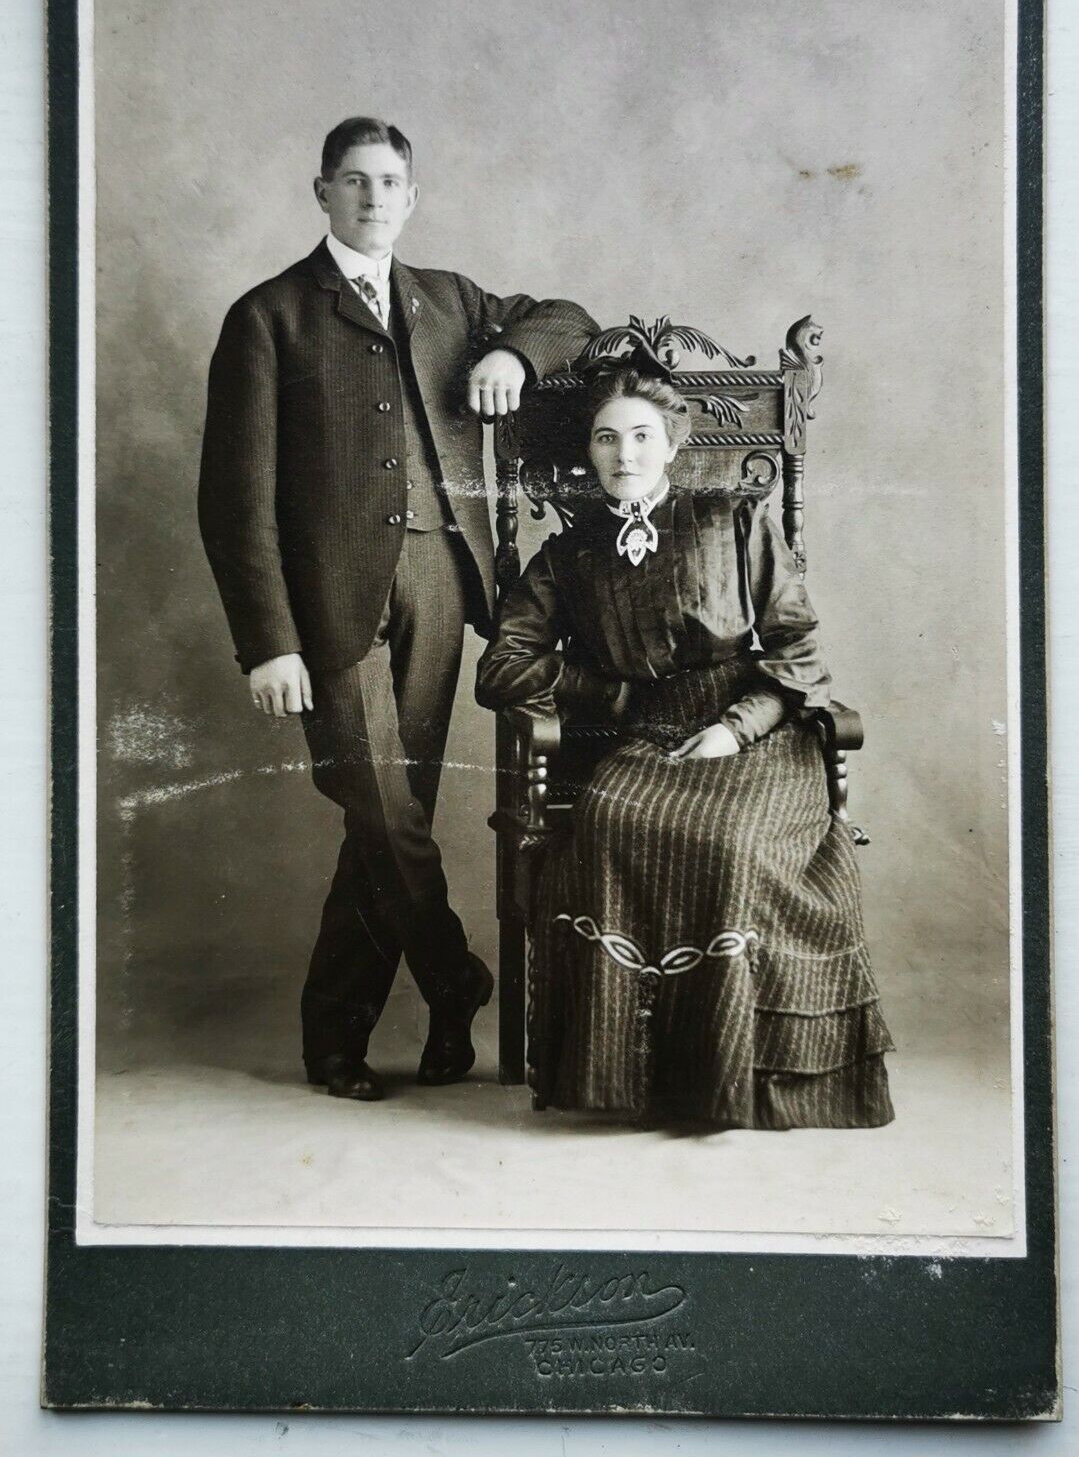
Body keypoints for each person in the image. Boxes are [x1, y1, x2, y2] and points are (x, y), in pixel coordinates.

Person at [198, 116, 596, 1102]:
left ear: (412, 196)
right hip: (327, 605)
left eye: (388, 183)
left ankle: (333, 1042)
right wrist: (267, 645)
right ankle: (452, 976)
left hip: (437, 582)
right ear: (320, 192)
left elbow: (569, 317)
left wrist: (510, 355)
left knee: (387, 819)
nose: (372, 200)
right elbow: (233, 499)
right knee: (381, 809)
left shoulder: (453, 301)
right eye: (352, 182)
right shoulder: (269, 316)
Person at [475, 366, 895, 1129]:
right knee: (607, 818)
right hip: (649, 730)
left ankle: (728, 1076)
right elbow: (502, 665)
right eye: (607, 438)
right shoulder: (569, 557)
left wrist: (734, 728)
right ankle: (630, 1079)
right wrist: (618, 698)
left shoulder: (732, 518)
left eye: (641, 436)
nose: (623, 454)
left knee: (729, 841)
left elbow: (798, 646)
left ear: (672, 446)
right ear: (589, 452)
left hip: (759, 727)